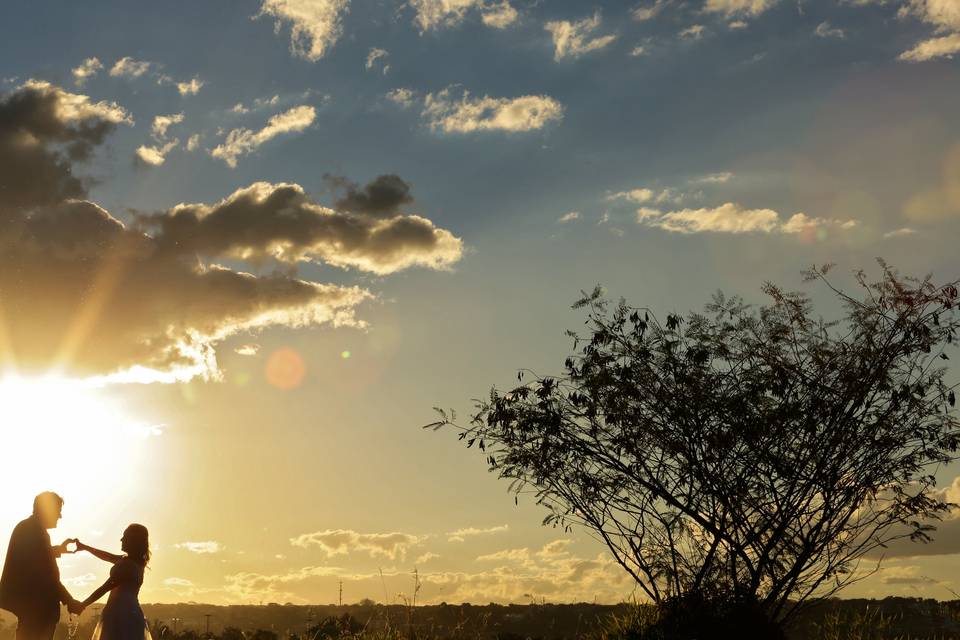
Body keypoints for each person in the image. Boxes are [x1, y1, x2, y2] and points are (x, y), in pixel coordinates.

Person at [0, 492, 83, 640]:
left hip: (31, 608)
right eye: (58, 511)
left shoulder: (28, 528)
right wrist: (69, 600)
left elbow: (35, 557)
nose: (60, 516)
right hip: (38, 610)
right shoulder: (35, 532)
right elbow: (46, 575)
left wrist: (58, 550)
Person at [75, 524, 152, 640]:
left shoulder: (127, 566)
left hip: (121, 615)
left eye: (124, 536)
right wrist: (85, 547)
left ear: (133, 540)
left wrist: (82, 605)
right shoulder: (133, 562)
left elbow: (105, 587)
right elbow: (107, 556)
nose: (121, 539)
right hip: (129, 612)